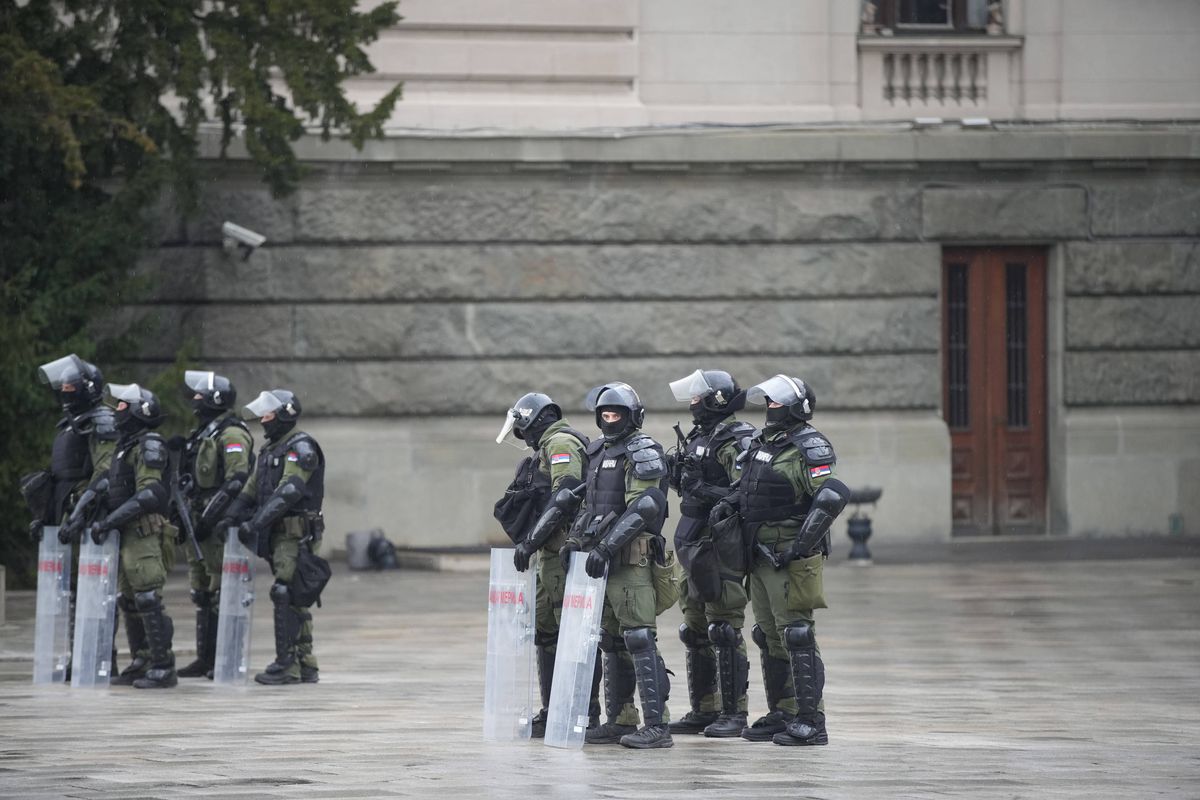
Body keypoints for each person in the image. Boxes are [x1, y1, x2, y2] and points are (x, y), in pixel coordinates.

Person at [709, 374, 850, 745]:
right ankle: (782, 711)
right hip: (758, 553)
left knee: (797, 634)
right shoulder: (761, 442)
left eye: (777, 403)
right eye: (767, 403)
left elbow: (831, 497)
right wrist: (728, 502)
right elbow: (748, 486)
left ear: (796, 406)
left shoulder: (811, 446)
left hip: (790, 555)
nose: (770, 409)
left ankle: (811, 720)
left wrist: (801, 546)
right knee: (768, 635)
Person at [563, 382, 673, 749]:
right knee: (611, 641)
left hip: (630, 560)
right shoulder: (596, 450)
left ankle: (658, 725)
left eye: (617, 414)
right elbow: (589, 506)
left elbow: (643, 507)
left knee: (639, 637)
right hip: (600, 561)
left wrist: (607, 547)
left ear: (633, 416)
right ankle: (622, 719)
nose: (610, 420)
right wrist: (575, 543)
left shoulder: (643, 452)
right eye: (605, 414)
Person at [664, 369, 756, 738]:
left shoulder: (737, 438)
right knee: (694, 628)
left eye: (698, 396)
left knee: (723, 626)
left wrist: (706, 491)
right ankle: (704, 709)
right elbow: (690, 487)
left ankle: (735, 713)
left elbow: (744, 494)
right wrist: (678, 476)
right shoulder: (700, 435)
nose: (692, 403)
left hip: (720, 542)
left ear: (717, 400)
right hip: (692, 540)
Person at [496, 392, 591, 737]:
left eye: (523, 430)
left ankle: (581, 711)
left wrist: (531, 540)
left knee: (572, 633)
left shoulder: (561, 442)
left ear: (535, 421)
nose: (523, 438)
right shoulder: (547, 446)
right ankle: (554, 710)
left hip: (562, 552)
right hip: (547, 555)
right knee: (546, 632)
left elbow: (565, 496)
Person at [219, 389, 326, 686]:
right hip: (279, 534)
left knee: (287, 592)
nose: (263, 420)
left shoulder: (300, 448)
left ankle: (287, 664)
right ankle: (305, 663)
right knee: (293, 597)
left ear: (284, 414)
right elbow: (251, 489)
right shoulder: (270, 451)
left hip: (296, 532)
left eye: (268, 414)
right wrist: (230, 516)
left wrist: (255, 523)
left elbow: (290, 491)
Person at [26, 356, 119, 676]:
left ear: (86, 389)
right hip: (66, 519)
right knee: (75, 593)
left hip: (90, 521)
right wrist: (45, 515)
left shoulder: (102, 421)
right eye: (62, 386)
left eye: (70, 386)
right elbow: (60, 477)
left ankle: (100, 657)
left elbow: (106, 473)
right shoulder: (70, 423)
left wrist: (79, 515)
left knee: (96, 592)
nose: (65, 392)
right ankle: (79, 657)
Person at [86, 382, 178, 689]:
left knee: (148, 597)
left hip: (144, 532)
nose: (117, 410)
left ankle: (163, 665)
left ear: (140, 411)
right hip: (127, 533)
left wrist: (111, 521)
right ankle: (142, 659)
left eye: (124, 405)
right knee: (130, 600)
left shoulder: (148, 444)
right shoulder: (127, 445)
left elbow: (149, 493)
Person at [174, 371, 255, 679]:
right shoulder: (203, 432)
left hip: (218, 524)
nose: (194, 400)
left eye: (200, 395)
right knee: (202, 593)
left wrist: (210, 517)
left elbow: (237, 480)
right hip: (198, 522)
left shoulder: (231, 434)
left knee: (224, 590)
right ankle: (206, 659)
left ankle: (228, 658)